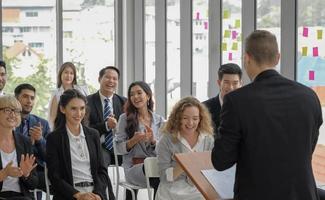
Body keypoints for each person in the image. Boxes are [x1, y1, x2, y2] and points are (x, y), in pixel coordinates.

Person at [211, 30, 323, 200]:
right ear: (277, 57)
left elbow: (221, 161)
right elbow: (308, 148)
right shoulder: (309, 96)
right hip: (302, 193)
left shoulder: (236, 101)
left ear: (246, 58)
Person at [46, 89, 114, 200]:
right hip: (70, 195)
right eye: (73, 109)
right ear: (63, 109)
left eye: (82, 108)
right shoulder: (54, 138)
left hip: (95, 194)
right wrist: (78, 195)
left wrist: (98, 194)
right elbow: (54, 177)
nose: (79, 114)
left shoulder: (93, 134)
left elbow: (101, 171)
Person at [156, 96, 214, 200]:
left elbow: (211, 172)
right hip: (171, 192)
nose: (190, 123)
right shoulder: (166, 140)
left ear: (200, 119)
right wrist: (184, 163)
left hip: (199, 191)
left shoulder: (207, 139)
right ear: (178, 118)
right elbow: (164, 178)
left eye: (195, 118)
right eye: (185, 118)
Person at [115, 81, 164, 200]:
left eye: (139, 93)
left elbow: (163, 151)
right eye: (132, 94)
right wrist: (133, 140)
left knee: (163, 172)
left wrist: (153, 141)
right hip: (133, 167)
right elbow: (117, 149)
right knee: (158, 174)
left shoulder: (160, 120)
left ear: (148, 95)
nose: (135, 97)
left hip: (154, 166)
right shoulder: (124, 118)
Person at [14, 83, 51, 199]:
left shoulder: (42, 124)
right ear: (16, 99)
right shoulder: (8, 122)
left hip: (36, 173)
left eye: (32, 98)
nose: (29, 101)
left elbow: (49, 156)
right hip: (12, 169)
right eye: (25, 96)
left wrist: (40, 140)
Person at [87, 66, 126, 167]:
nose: (111, 81)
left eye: (114, 79)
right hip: (99, 146)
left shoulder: (124, 102)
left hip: (120, 145)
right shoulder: (87, 102)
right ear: (99, 79)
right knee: (102, 161)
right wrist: (106, 126)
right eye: (107, 77)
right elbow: (85, 128)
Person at [0, 95, 38, 199]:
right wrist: (4, 173)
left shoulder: (25, 142)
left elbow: (34, 184)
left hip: (21, 197)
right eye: (7, 110)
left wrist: (26, 174)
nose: (13, 114)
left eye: (16, 111)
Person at [203, 63, 242, 135]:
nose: (231, 87)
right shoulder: (204, 108)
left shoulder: (247, 108)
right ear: (219, 83)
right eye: (226, 82)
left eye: (235, 83)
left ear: (240, 84)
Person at [48, 62, 89, 130]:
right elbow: (52, 118)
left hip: (81, 128)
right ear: (61, 74)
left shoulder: (81, 90)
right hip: (62, 129)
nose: (68, 76)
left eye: (71, 73)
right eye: (66, 72)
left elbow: (86, 112)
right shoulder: (56, 94)